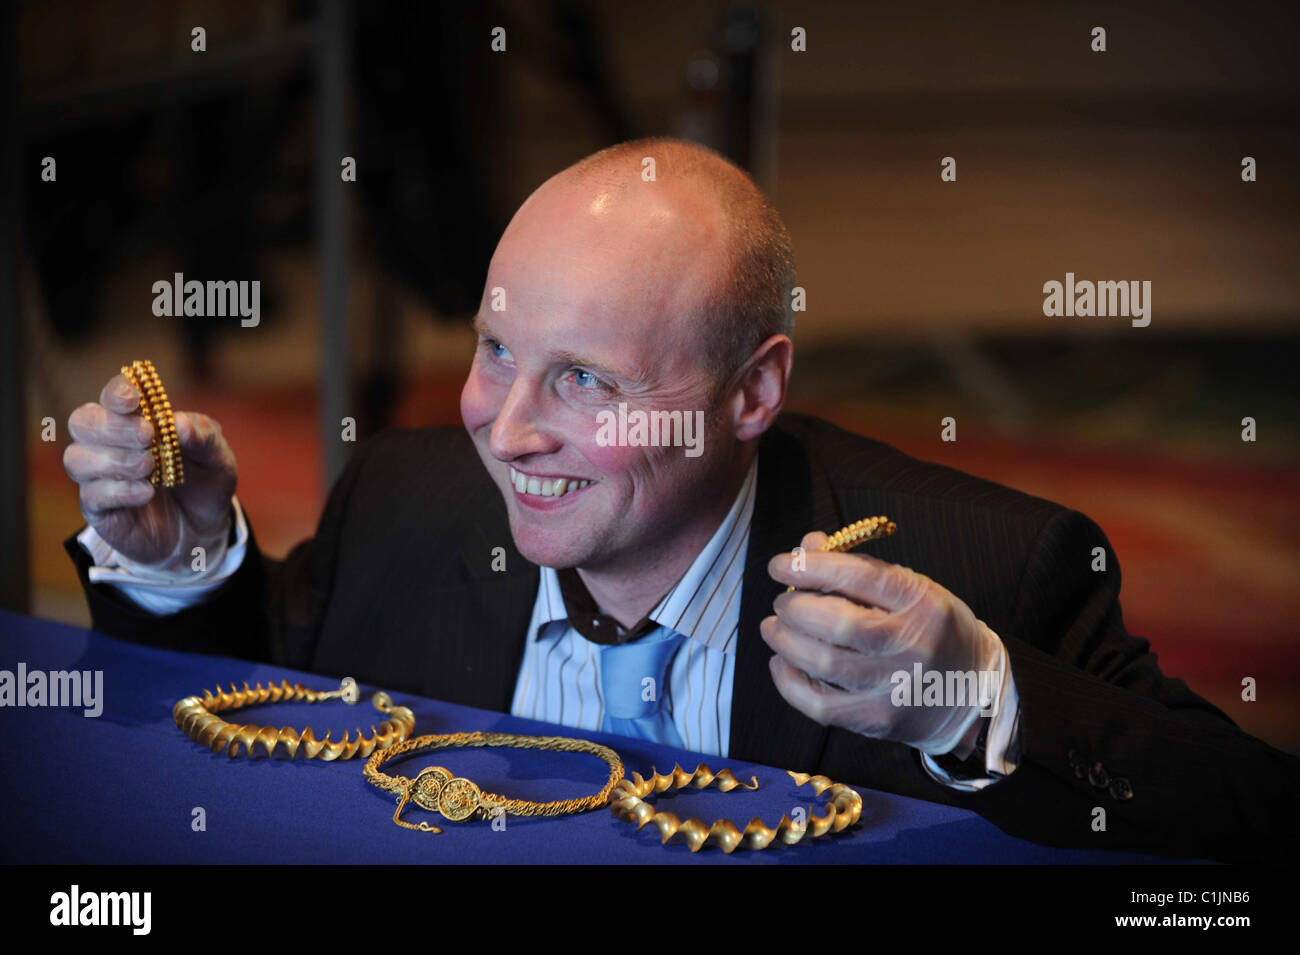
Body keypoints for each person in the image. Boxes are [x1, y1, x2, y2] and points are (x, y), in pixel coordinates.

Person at [63, 137, 1298, 863]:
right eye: (497, 350)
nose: (507, 425)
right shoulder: (402, 498)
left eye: (586, 379)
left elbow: (1247, 834)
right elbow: (258, 729)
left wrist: (974, 703)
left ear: (752, 392)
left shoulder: (982, 571)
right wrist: (185, 560)